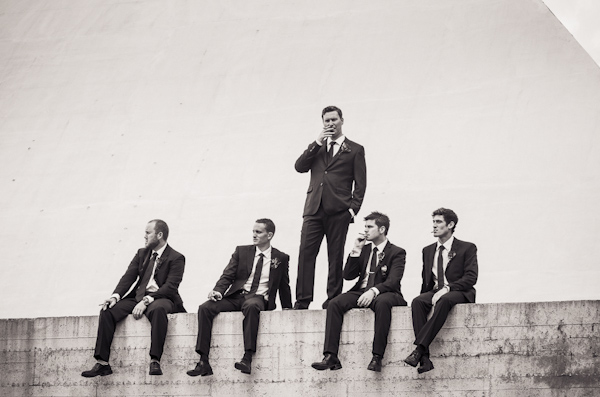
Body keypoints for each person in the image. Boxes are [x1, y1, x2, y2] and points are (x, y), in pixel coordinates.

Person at [187, 218, 292, 377]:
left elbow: (284, 285)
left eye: (258, 232)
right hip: (236, 296)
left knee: (251, 306)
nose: (254, 235)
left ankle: (247, 358)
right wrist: (218, 291)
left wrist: (287, 308)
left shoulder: (281, 258)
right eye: (253, 231)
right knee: (205, 308)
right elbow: (227, 276)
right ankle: (203, 361)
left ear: (269, 235)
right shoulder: (241, 251)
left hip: (258, 298)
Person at [81, 219, 186, 377]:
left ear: (159, 235)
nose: (144, 236)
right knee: (107, 310)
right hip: (138, 296)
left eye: (148, 232)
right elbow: (128, 277)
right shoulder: (142, 254)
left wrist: (147, 301)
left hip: (162, 297)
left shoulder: (176, 257)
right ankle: (103, 363)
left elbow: (170, 286)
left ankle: (155, 360)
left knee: (158, 310)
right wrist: (115, 297)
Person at [311, 212, 406, 372]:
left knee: (382, 304)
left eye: (370, 227)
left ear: (382, 229)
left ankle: (377, 357)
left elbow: (393, 281)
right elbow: (348, 275)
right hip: (361, 290)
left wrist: (374, 291)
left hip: (386, 293)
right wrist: (356, 250)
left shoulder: (397, 252)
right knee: (334, 303)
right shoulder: (365, 249)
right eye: (365, 227)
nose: (366, 230)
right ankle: (330, 356)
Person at [294, 105, 367, 310]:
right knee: (306, 254)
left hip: (339, 211)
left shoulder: (355, 149)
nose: (330, 124)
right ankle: (303, 299)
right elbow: (299, 167)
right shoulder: (317, 148)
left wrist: (352, 209)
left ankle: (332, 298)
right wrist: (316, 143)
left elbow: (361, 184)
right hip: (313, 209)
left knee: (335, 255)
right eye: (327, 120)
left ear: (342, 120)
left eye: (334, 120)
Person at [404, 208, 478, 373]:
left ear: (450, 225)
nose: (434, 226)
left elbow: (471, 278)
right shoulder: (428, 250)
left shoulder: (467, 248)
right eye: (433, 222)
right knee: (417, 301)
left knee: (444, 300)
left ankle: (419, 350)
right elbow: (426, 280)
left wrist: (447, 288)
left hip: (459, 291)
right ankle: (425, 359)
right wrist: (425, 296)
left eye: (438, 222)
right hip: (436, 290)